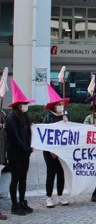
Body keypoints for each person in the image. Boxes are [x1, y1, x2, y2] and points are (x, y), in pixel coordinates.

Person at [5, 78, 35, 215]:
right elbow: (15, 138)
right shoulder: (11, 119)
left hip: (24, 154)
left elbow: (29, 133)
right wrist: (26, 148)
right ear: (18, 105)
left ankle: (22, 202)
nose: (26, 105)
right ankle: (14, 205)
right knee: (15, 179)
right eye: (24, 103)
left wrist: (31, 145)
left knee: (23, 179)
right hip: (15, 154)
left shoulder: (25, 116)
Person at [42, 84, 70, 208]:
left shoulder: (65, 116)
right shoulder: (47, 118)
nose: (61, 106)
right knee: (50, 174)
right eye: (59, 104)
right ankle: (48, 197)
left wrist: (66, 122)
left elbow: (70, 132)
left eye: (62, 104)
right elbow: (44, 136)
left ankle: (60, 195)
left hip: (62, 151)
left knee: (61, 173)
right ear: (54, 106)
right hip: (50, 153)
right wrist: (51, 151)